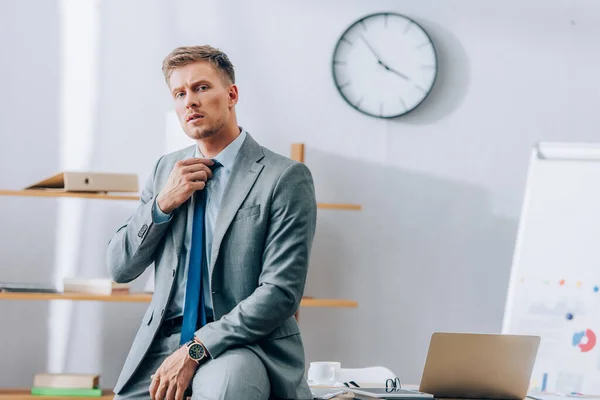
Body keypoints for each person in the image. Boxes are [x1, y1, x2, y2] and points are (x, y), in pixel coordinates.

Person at [107, 45, 317, 400]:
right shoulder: (165, 170)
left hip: (243, 342)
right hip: (163, 340)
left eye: (201, 88)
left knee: (226, 389)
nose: (190, 101)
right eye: (180, 93)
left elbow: (280, 292)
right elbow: (120, 268)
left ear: (231, 95)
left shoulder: (284, 177)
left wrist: (197, 348)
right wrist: (162, 204)